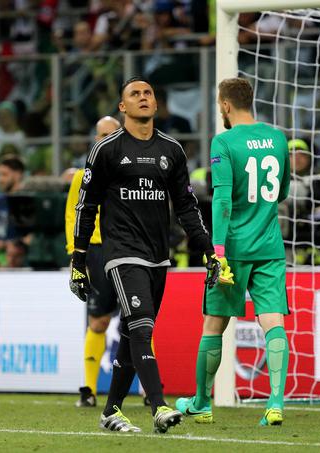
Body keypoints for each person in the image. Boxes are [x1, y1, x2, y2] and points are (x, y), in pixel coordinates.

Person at [70, 77, 223, 433]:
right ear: (122, 107)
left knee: (131, 331)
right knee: (140, 323)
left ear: (155, 105)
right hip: (121, 253)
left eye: (148, 93)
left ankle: (110, 411)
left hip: (158, 256)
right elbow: (86, 205)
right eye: (134, 94)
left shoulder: (172, 150)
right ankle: (158, 405)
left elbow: (186, 207)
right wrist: (78, 261)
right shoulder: (106, 150)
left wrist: (208, 252)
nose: (143, 97)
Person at [175, 77, 291, 427]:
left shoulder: (224, 141)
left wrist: (218, 251)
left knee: (214, 322)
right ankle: (275, 404)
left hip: (234, 247)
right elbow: (281, 192)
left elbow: (222, 199)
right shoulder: (278, 138)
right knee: (273, 319)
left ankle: (201, 402)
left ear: (225, 105)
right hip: (270, 244)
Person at [65, 115, 121, 407]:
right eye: (101, 135)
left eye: (111, 134)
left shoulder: (131, 171)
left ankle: (151, 390)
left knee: (139, 322)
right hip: (97, 250)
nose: (105, 140)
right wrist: (77, 256)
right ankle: (88, 389)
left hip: (128, 248)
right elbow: (72, 215)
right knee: (98, 321)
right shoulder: (82, 175)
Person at [0, 156, 25, 266]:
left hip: (13, 263)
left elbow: (30, 237)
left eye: (4, 175)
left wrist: (5, 244)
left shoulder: (26, 201)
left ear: (17, 175)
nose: (0, 179)